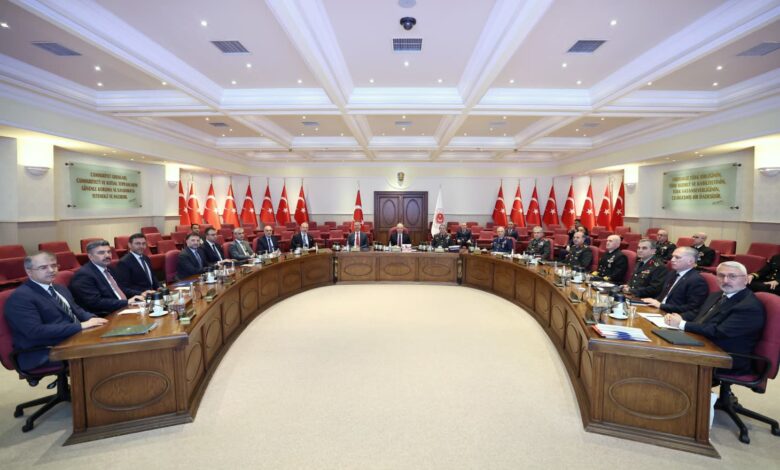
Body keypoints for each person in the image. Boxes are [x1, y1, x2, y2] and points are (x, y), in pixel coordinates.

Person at [5, 252, 107, 371]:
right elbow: (35, 331)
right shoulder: (20, 297)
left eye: (54, 265)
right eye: (43, 267)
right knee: (105, 353)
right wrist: (81, 326)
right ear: (29, 271)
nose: (51, 270)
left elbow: (76, 310)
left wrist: (92, 318)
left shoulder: (59, 288)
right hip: (44, 350)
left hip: (72, 339)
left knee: (110, 342)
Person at [664, 262, 765, 374]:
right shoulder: (717, 295)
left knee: (665, 359)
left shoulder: (748, 306)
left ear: (745, 280)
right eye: (721, 275)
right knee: (663, 345)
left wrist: (682, 324)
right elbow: (699, 314)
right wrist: (679, 317)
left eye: (732, 276)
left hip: (725, 357)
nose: (725, 280)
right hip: (703, 343)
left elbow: (719, 331)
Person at [69, 240, 144, 316]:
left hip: (123, 308)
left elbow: (120, 289)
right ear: (90, 256)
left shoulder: (109, 269)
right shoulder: (84, 275)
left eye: (109, 252)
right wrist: (126, 302)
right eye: (101, 253)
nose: (107, 255)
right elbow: (95, 302)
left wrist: (141, 294)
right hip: (106, 315)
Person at [643, 247, 708, 313]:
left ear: (690, 261)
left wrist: (661, 305)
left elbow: (692, 308)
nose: (672, 260)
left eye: (677, 257)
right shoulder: (672, 273)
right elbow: (661, 294)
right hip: (657, 308)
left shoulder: (696, 280)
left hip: (672, 314)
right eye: (672, 256)